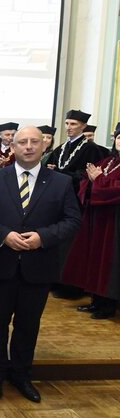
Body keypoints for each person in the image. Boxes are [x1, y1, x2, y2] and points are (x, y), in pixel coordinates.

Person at [0, 126, 81, 403]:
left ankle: (21, 375)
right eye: (22, 142)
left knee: (28, 325)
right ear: (12, 147)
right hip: (0, 263)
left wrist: (43, 237)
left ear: (43, 146)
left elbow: (73, 220)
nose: (28, 146)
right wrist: (4, 235)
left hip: (38, 266)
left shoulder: (60, 182)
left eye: (34, 142)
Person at [62, 125, 120, 320]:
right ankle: (96, 300)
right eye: (119, 138)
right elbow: (86, 182)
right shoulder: (108, 161)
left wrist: (99, 180)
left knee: (109, 262)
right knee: (94, 259)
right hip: (97, 219)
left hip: (114, 222)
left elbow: (114, 190)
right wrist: (93, 181)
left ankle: (108, 305)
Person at [47, 110, 103, 299]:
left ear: (83, 126)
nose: (69, 128)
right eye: (67, 123)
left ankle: (71, 286)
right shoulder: (61, 148)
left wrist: (60, 174)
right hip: (58, 202)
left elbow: (86, 176)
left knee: (71, 244)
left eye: (73, 124)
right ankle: (54, 279)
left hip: (76, 202)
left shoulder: (90, 149)